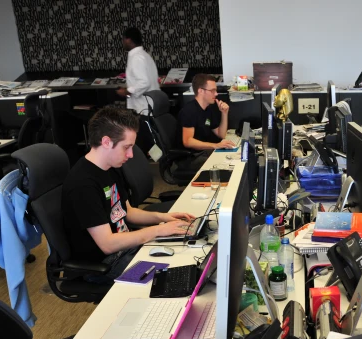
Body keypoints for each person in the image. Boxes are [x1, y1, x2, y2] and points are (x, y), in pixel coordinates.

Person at [62, 107, 195, 284]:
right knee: (172, 280)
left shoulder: (110, 167)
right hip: (105, 263)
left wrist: (163, 217)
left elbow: (127, 212)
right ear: (106, 142)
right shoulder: (83, 184)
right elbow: (107, 244)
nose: (131, 155)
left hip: (127, 247)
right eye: (127, 147)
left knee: (187, 256)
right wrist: (157, 230)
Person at [176, 73, 234, 172]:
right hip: (190, 158)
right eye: (212, 90)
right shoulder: (189, 111)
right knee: (226, 165)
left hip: (203, 153)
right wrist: (215, 145)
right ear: (201, 91)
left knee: (231, 157)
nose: (216, 94)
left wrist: (224, 113)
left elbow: (221, 134)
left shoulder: (208, 109)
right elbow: (187, 141)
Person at [116, 28, 160, 115]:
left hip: (144, 107)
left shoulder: (137, 57)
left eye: (123, 39)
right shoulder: (145, 55)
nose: (123, 42)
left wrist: (126, 91)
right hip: (150, 105)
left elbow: (144, 82)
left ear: (128, 39)